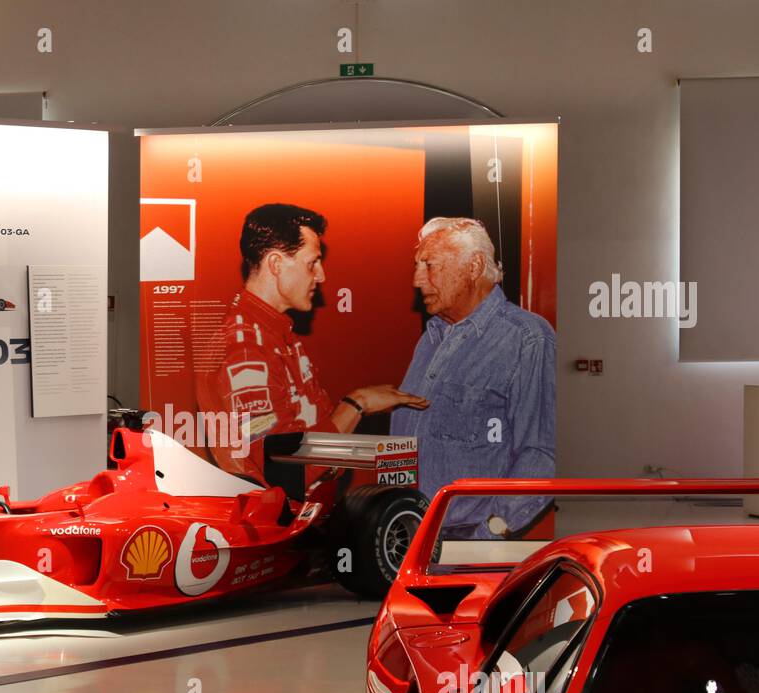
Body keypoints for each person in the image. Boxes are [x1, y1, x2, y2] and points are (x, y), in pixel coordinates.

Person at [197, 203, 426, 481]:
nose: (321, 276)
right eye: (312, 263)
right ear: (276, 264)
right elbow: (285, 469)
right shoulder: (245, 348)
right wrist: (357, 403)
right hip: (278, 521)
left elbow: (311, 430)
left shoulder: (274, 333)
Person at [390, 217, 555, 539]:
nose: (416, 280)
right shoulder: (432, 338)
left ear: (474, 265)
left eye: (429, 265)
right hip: (408, 536)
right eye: (416, 266)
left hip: (468, 542)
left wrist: (491, 532)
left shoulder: (527, 338)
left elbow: (542, 453)